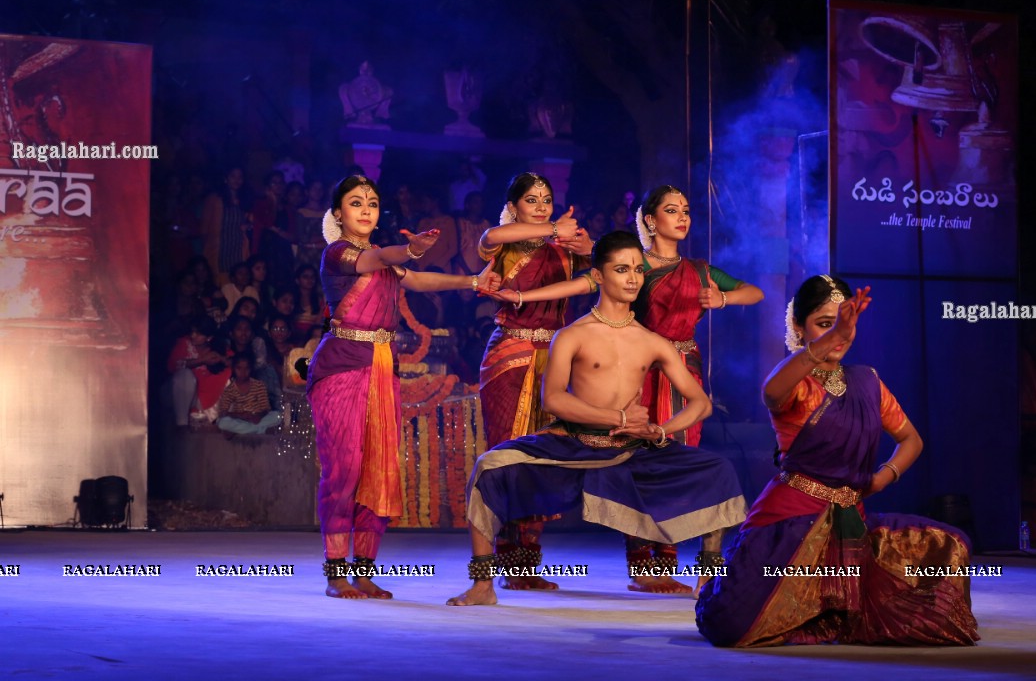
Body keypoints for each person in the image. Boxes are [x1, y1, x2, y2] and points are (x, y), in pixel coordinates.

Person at [447, 231, 747, 607]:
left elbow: (700, 403)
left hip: (632, 449)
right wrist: (617, 415)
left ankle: (709, 584)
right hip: (573, 443)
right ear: (599, 276)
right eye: (622, 269)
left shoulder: (653, 341)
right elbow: (553, 399)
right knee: (489, 465)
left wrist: (659, 430)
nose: (633, 278)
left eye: (638, 269)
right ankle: (482, 585)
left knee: (718, 471)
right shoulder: (572, 336)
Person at [695, 274, 979, 647]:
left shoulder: (867, 382)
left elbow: (911, 440)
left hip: (851, 523)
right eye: (825, 324)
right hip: (791, 522)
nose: (840, 335)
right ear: (799, 326)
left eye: (847, 324)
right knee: (731, 624)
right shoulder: (794, 381)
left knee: (950, 545)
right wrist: (837, 333)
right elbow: (771, 390)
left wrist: (882, 477)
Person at [307, 174, 499, 600]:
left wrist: (471, 282)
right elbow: (388, 259)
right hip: (342, 367)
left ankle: (363, 569)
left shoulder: (384, 259)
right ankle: (336, 572)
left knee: (379, 468)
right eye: (356, 203)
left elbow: (417, 278)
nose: (365, 209)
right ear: (338, 214)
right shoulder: (339, 254)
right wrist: (409, 249)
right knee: (345, 469)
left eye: (372, 202)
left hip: (381, 368)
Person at [473, 171, 594, 587]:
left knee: (546, 459)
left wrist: (585, 246)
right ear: (515, 207)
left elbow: (596, 277)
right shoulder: (502, 244)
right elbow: (488, 235)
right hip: (510, 356)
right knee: (512, 457)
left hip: (554, 359)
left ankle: (527, 565)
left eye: (546, 198)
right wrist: (552, 230)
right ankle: (503, 562)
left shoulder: (563, 248)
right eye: (531, 199)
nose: (541, 205)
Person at [216, 353, 282, 436]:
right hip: (239, 419)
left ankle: (243, 431)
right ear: (233, 369)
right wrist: (239, 415)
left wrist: (258, 416)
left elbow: (266, 409)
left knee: (277, 416)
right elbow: (223, 412)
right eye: (239, 368)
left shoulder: (258, 385)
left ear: (251, 369)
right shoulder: (230, 389)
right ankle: (259, 430)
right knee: (222, 422)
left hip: (257, 419)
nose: (243, 372)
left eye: (246, 369)